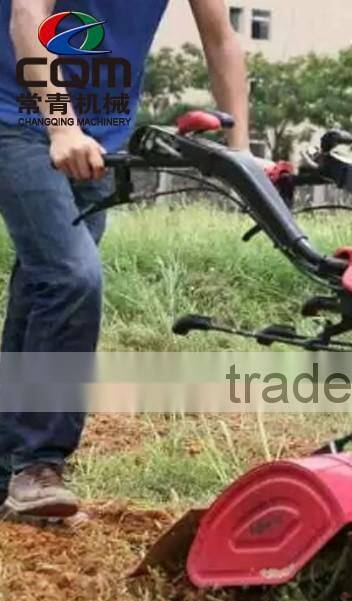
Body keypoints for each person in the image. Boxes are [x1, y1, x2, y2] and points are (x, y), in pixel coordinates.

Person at [0, 0, 249, 519]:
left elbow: (221, 38)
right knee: (72, 276)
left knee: (43, 287)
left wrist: (241, 152)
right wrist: (63, 127)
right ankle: (38, 464)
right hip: (19, 119)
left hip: (102, 136)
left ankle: (8, 468)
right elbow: (27, 17)